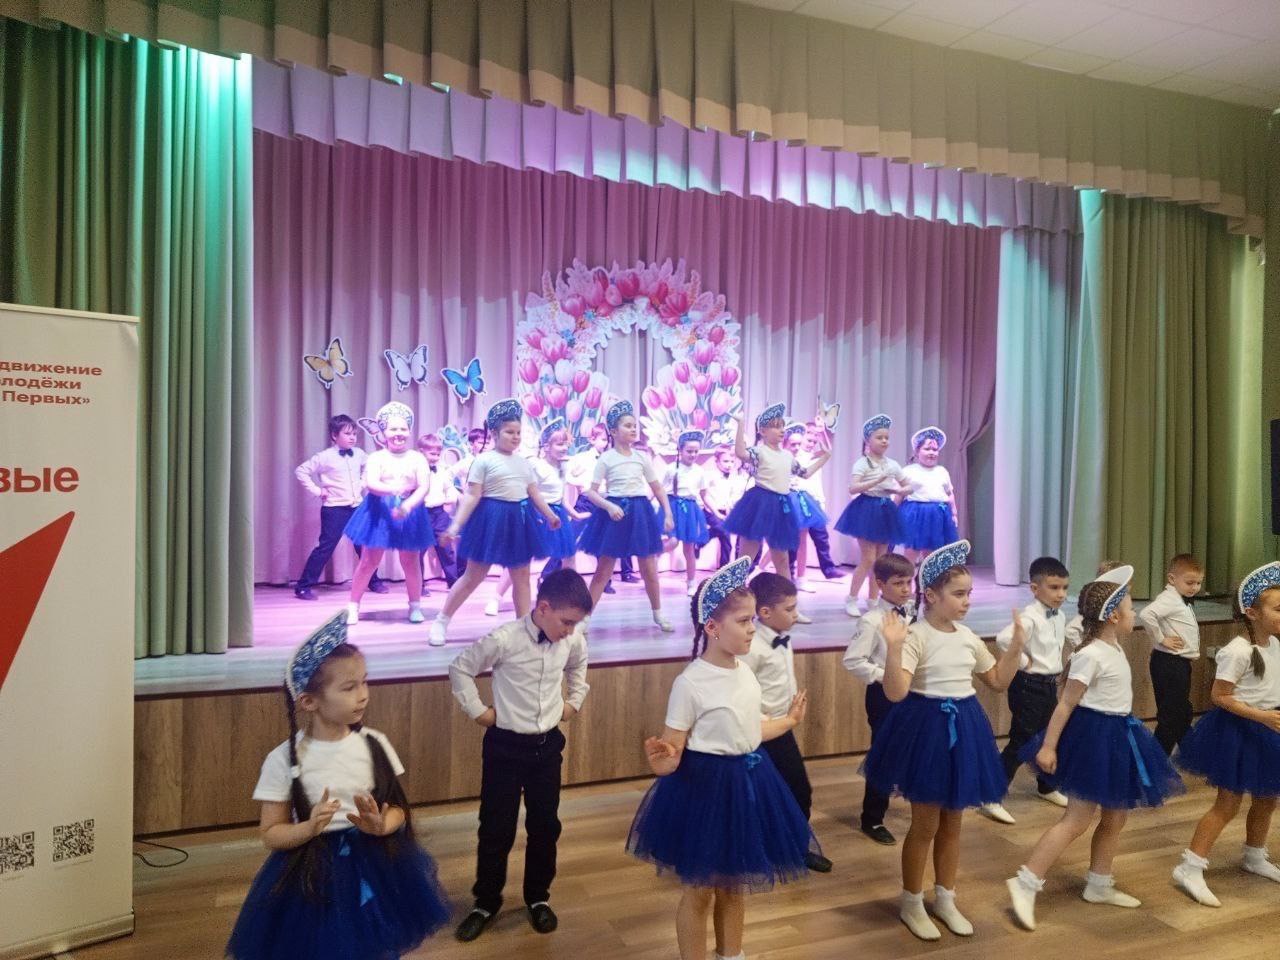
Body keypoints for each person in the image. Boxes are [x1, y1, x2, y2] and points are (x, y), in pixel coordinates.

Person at [227, 613, 450, 960]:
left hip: (376, 863)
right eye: (349, 688)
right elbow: (271, 833)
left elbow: (398, 809)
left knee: (373, 943)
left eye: (364, 682)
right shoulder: (284, 760)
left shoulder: (375, 744)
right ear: (309, 702)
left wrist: (382, 825)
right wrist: (309, 827)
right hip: (312, 874)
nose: (363, 696)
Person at [626, 558, 814, 960]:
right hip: (706, 790)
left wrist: (788, 721)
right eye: (744, 621)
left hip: (748, 783)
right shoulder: (690, 683)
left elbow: (749, 730)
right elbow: (673, 750)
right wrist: (661, 762)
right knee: (700, 890)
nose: (752, 629)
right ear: (712, 627)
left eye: (753, 620)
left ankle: (731, 955)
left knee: (733, 885)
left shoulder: (744, 671)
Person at [862, 540, 1025, 941]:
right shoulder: (915, 635)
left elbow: (997, 681)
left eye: (969, 593)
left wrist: (1017, 647)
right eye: (959, 593)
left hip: (965, 727)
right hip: (927, 729)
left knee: (954, 822)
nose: (967, 601)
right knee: (925, 824)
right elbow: (896, 692)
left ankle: (946, 898)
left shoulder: (968, 636)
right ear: (932, 596)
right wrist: (894, 648)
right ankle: (912, 901)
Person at [1007, 567, 1184, 930]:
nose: (1135, 614)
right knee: (1076, 819)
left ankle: (1099, 883)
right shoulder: (1091, 655)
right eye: (1131, 609)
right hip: (1094, 738)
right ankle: (1026, 881)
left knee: (1116, 816)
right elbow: (1065, 704)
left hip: (1119, 734)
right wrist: (1049, 747)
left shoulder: (1112, 646)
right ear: (1114, 616)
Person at [448, 569, 593, 942]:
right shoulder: (505, 639)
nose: (570, 631)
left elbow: (579, 666)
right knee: (496, 827)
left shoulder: (571, 640)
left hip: (547, 747)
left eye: (576, 624)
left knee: (545, 825)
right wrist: (478, 712)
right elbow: (461, 667)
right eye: (566, 622)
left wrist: (574, 701)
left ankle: (538, 897)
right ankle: (486, 902)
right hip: (505, 748)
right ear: (543, 608)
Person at [1172, 561, 1280, 908]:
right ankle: (1190, 867)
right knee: (1227, 805)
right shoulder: (1237, 650)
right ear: (1252, 613)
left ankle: (1254, 854)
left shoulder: (1274, 645)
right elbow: (1219, 696)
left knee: (1267, 798)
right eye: (1278, 609)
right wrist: (1261, 715)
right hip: (1239, 731)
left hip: (1267, 730)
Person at [429, 399, 562, 646]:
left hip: (519, 522)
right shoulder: (484, 460)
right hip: (490, 521)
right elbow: (472, 496)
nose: (515, 437)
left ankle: (525, 629)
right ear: (494, 433)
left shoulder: (524, 462)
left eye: (518, 432)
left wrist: (550, 515)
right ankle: (441, 621)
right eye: (509, 432)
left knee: (522, 577)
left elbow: (533, 492)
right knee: (473, 576)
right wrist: (455, 526)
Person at [739, 571, 833, 872]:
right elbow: (741, 690)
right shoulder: (751, 647)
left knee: (798, 789)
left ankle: (796, 847)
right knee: (758, 795)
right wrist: (766, 719)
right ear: (765, 612)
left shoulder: (780, 637)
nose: (795, 614)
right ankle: (759, 851)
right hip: (760, 732)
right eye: (790, 609)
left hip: (781, 728)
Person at [980, 556, 1073, 826]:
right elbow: (1003, 639)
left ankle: (1046, 786)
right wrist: (1022, 660)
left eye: (1064, 588)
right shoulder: (1030, 617)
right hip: (1029, 685)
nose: (1061, 594)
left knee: (1048, 736)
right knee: (1021, 739)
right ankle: (991, 794)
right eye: (1054, 588)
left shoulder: (1059, 615)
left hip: (1048, 684)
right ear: (1034, 588)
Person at [577, 400, 675, 630]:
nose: (633, 429)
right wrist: (609, 506)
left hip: (640, 513)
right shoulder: (606, 458)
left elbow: (658, 488)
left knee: (648, 567)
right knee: (604, 569)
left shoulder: (641, 457)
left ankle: (658, 613)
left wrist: (668, 514)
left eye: (634, 426)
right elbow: (591, 492)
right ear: (613, 431)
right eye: (627, 426)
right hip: (615, 514)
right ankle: (585, 618)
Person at [841, 551, 916, 845]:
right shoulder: (872, 621)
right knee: (884, 754)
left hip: (913, 692)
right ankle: (872, 818)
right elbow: (853, 660)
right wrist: (888, 675)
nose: (906, 589)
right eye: (898, 583)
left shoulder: (913, 613)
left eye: (909, 582)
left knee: (915, 749)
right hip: (884, 695)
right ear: (880, 584)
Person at [343, 402, 434, 625]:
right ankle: (353, 606)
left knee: (410, 561)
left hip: (410, 511)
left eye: (403, 429)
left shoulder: (417, 458)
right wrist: (395, 490)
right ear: (384, 432)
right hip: (379, 511)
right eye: (393, 429)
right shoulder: (377, 457)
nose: (398, 433)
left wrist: (407, 505)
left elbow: (423, 486)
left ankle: (415, 606)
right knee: (369, 561)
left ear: (409, 431)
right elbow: (371, 484)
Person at [725, 403, 830, 580]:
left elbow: (805, 473)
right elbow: (741, 453)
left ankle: (787, 596)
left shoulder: (787, 456)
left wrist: (825, 457)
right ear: (763, 431)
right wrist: (741, 423)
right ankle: (735, 591)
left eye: (782, 426)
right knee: (745, 559)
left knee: (782, 560)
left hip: (781, 507)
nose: (781, 430)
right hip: (759, 504)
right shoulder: (759, 452)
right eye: (776, 426)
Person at [293, 414, 388, 600]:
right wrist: (317, 490)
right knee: (326, 547)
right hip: (334, 509)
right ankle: (303, 586)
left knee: (364, 546)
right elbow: (301, 471)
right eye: (347, 434)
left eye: (354, 434)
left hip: (357, 507)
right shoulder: (325, 457)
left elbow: (372, 466)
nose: (352, 437)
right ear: (334, 436)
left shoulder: (359, 454)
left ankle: (373, 580)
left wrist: (363, 483)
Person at [835, 414, 911, 617]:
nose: (884, 441)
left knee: (880, 561)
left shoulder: (892, 464)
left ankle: (873, 599)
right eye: (879, 437)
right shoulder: (862, 463)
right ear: (868, 440)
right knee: (868, 559)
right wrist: (877, 481)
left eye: (887, 437)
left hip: (885, 510)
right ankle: (851, 598)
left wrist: (897, 491)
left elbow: (908, 486)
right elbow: (853, 488)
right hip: (866, 510)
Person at [1139, 553, 1205, 754]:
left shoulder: (1179, 599)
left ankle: (1191, 753)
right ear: (1172, 579)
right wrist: (1161, 639)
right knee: (1171, 714)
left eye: (1198, 583)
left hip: (1178, 663)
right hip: (1170, 663)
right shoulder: (1170, 599)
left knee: (1181, 711)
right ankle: (1156, 761)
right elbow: (1146, 614)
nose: (1194, 587)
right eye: (1189, 582)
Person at [787, 421, 841, 587]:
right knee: (795, 541)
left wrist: (822, 432)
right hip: (796, 500)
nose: (811, 443)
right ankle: (790, 574)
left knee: (819, 538)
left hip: (811, 502)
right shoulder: (796, 456)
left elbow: (827, 451)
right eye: (808, 439)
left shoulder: (811, 455)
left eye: (814, 440)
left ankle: (823, 570)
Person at [897, 426, 959, 564]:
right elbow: (899, 495)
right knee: (911, 552)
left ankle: (927, 578)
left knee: (932, 556)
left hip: (938, 516)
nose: (931, 452)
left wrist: (954, 513)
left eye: (935, 450)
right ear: (917, 451)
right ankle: (906, 576)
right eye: (927, 449)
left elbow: (950, 494)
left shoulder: (942, 471)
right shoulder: (909, 471)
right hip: (915, 515)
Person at [663, 429, 712, 597]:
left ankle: (691, 582)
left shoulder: (699, 471)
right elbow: (660, 490)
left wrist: (715, 512)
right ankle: (654, 553)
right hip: (673, 507)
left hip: (690, 509)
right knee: (673, 541)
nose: (693, 455)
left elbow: (704, 495)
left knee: (689, 549)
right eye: (689, 451)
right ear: (681, 450)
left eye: (696, 451)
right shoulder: (671, 469)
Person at [416, 432, 460, 591]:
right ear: (421, 452)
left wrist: (451, 498)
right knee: (419, 551)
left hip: (440, 514)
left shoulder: (442, 471)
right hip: (422, 513)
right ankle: (418, 585)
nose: (435, 457)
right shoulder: (416, 470)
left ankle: (454, 583)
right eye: (431, 454)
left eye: (437, 454)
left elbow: (449, 488)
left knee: (446, 549)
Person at [702, 448, 746, 568]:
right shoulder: (709, 475)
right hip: (710, 511)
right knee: (724, 532)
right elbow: (704, 495)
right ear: (716, 461)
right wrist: (715, 512)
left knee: (725, 537)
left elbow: (731, 496)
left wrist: (729, 509)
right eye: (725, 461)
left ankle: (723, 568)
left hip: (725, 511)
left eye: (732, 462)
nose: (729, 465)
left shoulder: (733, 477)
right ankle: (701, 542)